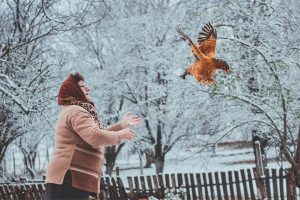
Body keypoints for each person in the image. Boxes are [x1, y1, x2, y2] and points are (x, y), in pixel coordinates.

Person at [45, 72, 141, 200]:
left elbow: (93, 135)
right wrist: (119, 135)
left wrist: (121, 125)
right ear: (75, 91)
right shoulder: (76, 111)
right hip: (68, 176)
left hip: (70, 177)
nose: (87, 88)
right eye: (82, 86)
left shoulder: (74, 110)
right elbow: (95, 137)